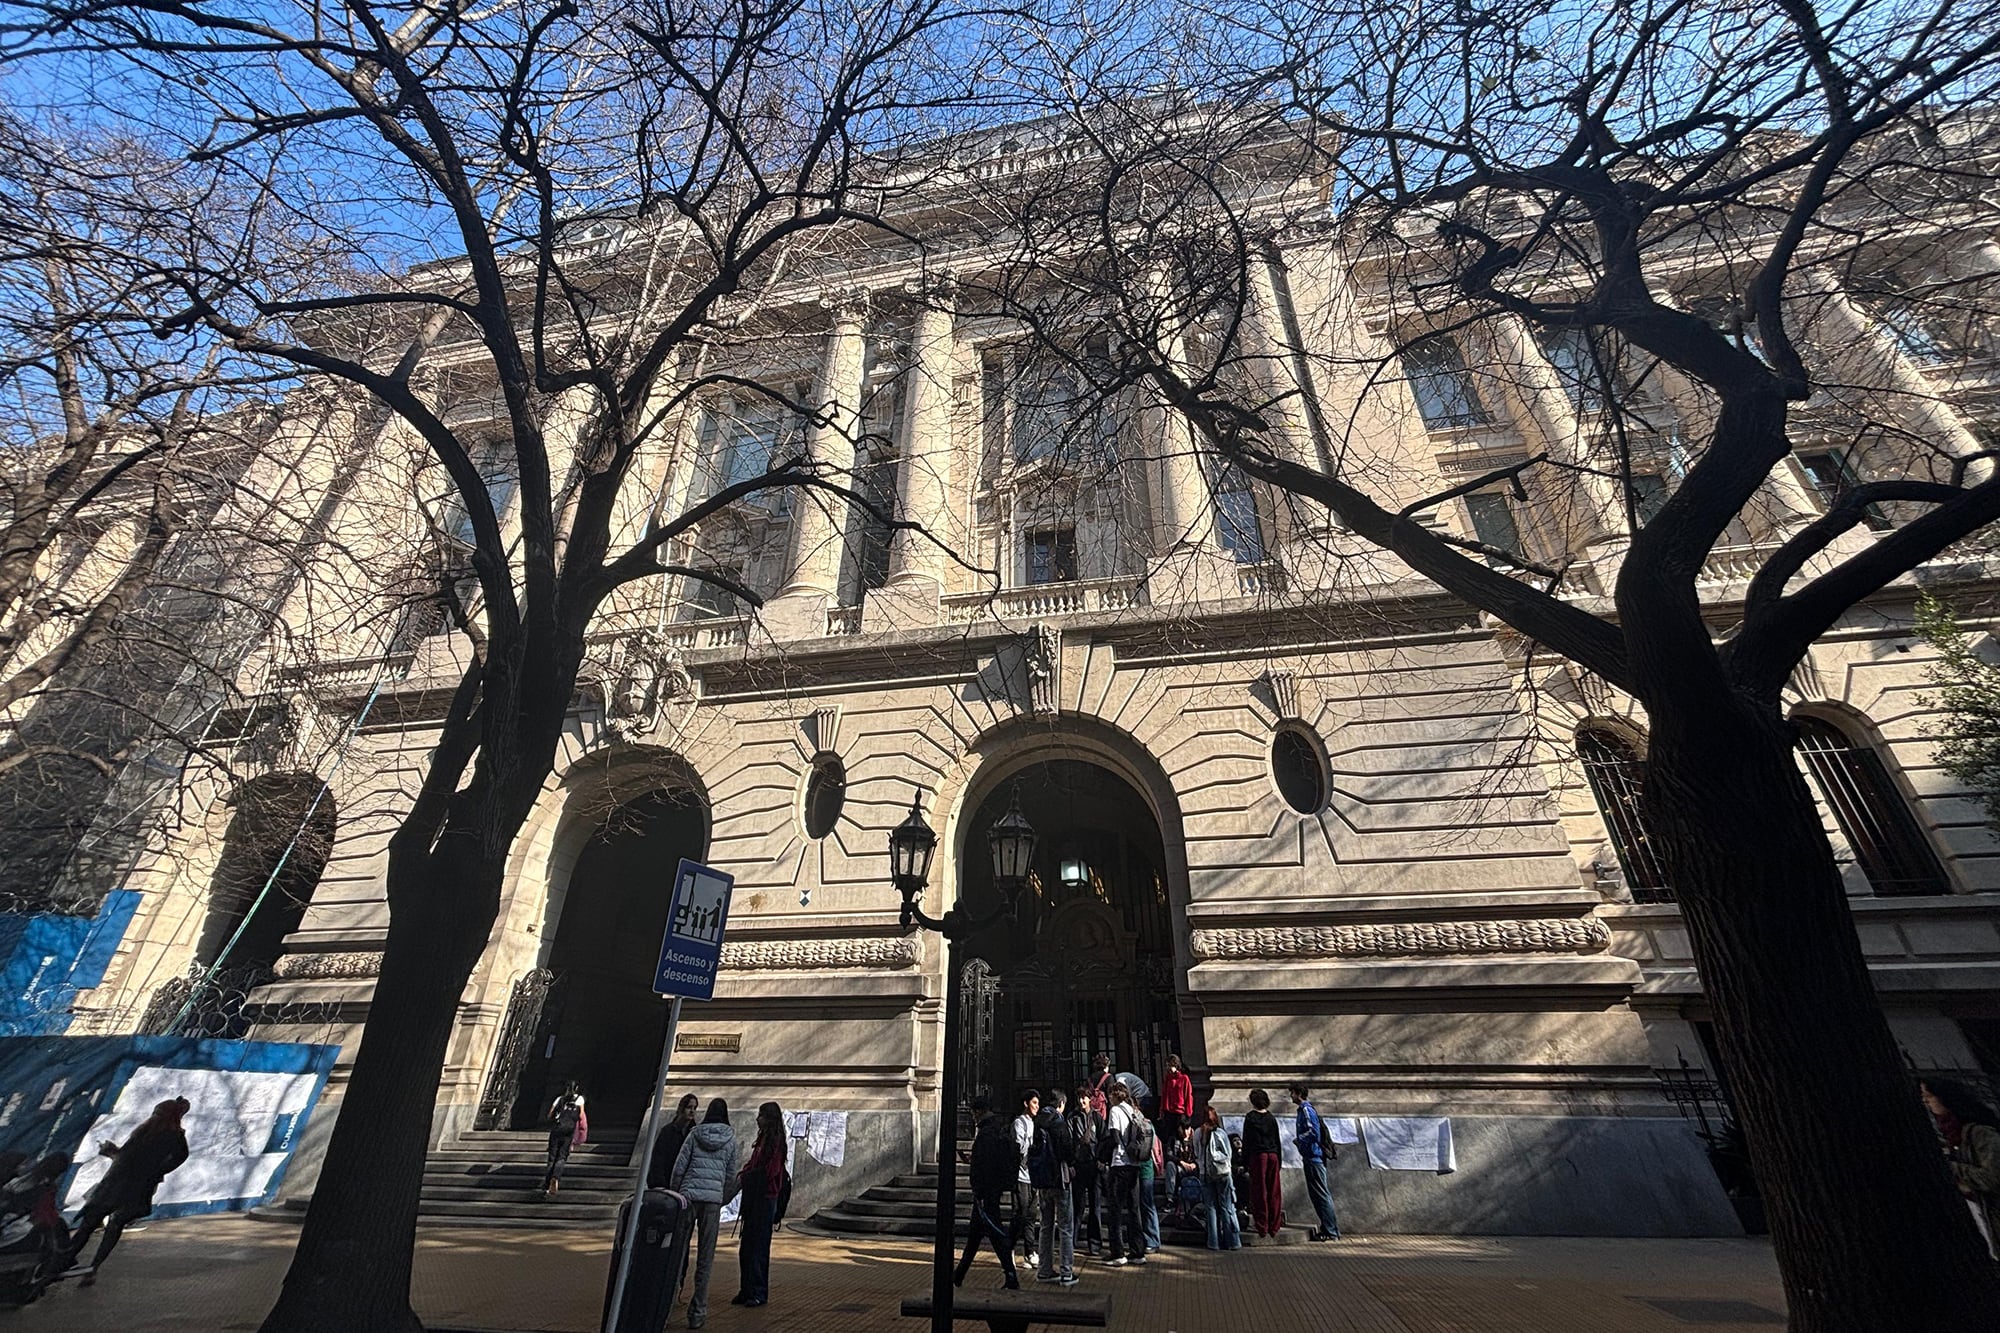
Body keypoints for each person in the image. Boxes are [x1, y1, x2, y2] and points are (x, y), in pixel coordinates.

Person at [64, 1097, 190, 1285]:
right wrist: (156, 1172)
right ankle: (92, 1268)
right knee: (114, 1226)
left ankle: (65, 1261)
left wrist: (113, 1153)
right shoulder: (175, 1138)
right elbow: (176, 1159)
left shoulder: (144, 1132)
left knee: (88, 1225)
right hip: (135, 1190)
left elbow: (128, 1159)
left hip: (114, 1186)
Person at [670, 1098, 739, 1330]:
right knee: (705, 1258)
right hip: (711, 1202)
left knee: (678, 1251)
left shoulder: (694, 1134)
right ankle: (698, 1312)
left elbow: (680, 1167)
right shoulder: (730, 1140)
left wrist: (676, 1195)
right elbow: (731, 1177)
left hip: (688, 1197)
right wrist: (722, 1199)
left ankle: (668, 1303)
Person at [1922, 1077, 2000, 1258]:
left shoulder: (1981, 1134)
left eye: (1929, 1096)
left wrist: (1951, 1167)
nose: (1926, 1102)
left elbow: (1992, 1178)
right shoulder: (1957, 1138)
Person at [956, 1097, 1020, 1289]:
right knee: (974, 1238)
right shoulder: (994, 1130)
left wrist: (980, 1190)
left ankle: (1010, 1275)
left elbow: (986, 1166)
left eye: (974, 1113)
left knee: (995, 1237)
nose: (973, 1117)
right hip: (989, 1192)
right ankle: (958, 1275)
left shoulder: (986, 1133)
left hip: (986, 1194)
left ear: (980, 1111)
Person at [735, 1101, 788, 1310]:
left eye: (761, 1115)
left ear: (770, 1118)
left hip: (765, 1198)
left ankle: (758, 1291)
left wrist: (749, 1176)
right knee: (746, 1245)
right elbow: (753, 1163)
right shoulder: (762, 1139)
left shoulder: (775, 1142)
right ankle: (746, 1288)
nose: (758, 1118)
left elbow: (770, 1171)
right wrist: (744, 1173)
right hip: (754, 1197)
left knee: (758, 1247)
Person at [1029, 1088, 1078, 1285]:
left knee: (1046, 1225)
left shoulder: (1037, 1121)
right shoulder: (1058, 1122)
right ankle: (1067, 1271)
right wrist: (1073, 1161)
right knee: (1066, 1225)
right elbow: (1067, 1149)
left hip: (1042, 1180)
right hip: (1059, 1177)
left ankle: (1044, 1269)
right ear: (1061, 1104)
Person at [1100, 1081, 1147, 1266]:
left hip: (1119, 1164)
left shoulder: (1116, 1111)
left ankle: (1117, 1252)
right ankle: (1137, 1251)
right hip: (1134, 1164)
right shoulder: (1134, 1110)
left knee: (1115, 1209)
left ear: (1113, 1095)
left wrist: (1102, 1156)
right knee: (1134, 1209)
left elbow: (1115, 1137)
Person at [1289, 1083, 1340, 1241]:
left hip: (1314, 1156)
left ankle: (1331, 1230)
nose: (1290, 1096)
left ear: (1298, 1094)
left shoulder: (1306, 1110)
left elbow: (1313, 1132)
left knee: (1321, 1193)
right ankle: (1327, 1228)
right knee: (1318, 1194)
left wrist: (1300, 1140)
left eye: (1292, 1093)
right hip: (1311, 1156)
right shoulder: (1304, 1110)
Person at [1195, 1107, 1242, 1250]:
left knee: (1211, 1208)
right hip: (1222, 1173)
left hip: (1205, 1173)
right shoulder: (1221, 1133)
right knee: (1226, 1206)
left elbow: (1197, 1153)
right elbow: (1228, 1154)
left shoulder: (1197, 1133)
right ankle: (1232, 1242)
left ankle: (1213, 1242)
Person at [1067, 1085, 1104, 1256]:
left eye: (1084, 1097)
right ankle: (1072, 1241)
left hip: (1094, 1165)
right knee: (1077, 1205)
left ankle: (1094, 1244)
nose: (1082, 1101)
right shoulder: (1073, 1118)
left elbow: (1104, 1139)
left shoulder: (1096, 1117)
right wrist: (1071, 1163)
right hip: (1079, 1165)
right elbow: (1068, 1141)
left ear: (1090, 1099)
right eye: (1079, 1098)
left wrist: (1102, 1160)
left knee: (1095, 1206)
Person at [1243, 1089, 1284, 1237]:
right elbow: (1277, 1140)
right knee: (1274, 1191)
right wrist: (1279, 1159)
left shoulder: (1250, 1118)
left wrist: (1245, 1162)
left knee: (1259, 1191)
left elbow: (1247, 1141)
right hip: (1272, 1155)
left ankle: (1262, 1225)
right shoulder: (1271, 1118)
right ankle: (1275, 1225)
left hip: (1258, 1156)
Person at [1010, 1088, 1041, 1272]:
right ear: (1026, 1103)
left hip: (1033, 1176)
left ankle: (1030, 1251)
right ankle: (1010, 1247)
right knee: (1020, 1213)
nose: (1036, 1107)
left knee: (1031, 1214)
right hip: (1021, 1175)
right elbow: (1021, 1147)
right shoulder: (1019, 1123)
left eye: (1037, 1103)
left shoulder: (1034, 1124)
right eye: (1034, 1103)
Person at [543, 1081, 588, 1194]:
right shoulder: (579, 1099)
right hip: (569, 1131)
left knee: (552, 1157)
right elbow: (581, 1116)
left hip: (557, 1130)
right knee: (562, 1156)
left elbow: (550, 1115)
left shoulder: (559, 1099)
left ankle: (547, 1182)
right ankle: (556, 1177)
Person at [649, 1093, 702, 1190]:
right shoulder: (668, 1131)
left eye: (695, 1108)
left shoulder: (694, 1133)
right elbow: (658, 1157)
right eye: (689, 1107)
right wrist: (660, 1183)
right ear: (682, 1109)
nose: (692, 1111)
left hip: (685, 1184)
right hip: (666, 1180)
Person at [1136, 1097, 1162, 1253]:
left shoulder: (1142, 1125)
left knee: (1146, 1204)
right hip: (1146, 1169)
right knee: (1146, 1204)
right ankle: (1150, 1239)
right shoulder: (1148, 1124)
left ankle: (1152, 1239)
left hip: (1144, 1169)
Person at [1159, 1055, 1195, 1150]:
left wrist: (1188, 1115)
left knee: (1181, 1137)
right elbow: (1164, 1095)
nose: (1168, 1068)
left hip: (1180, 1112)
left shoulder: (1184, 1078)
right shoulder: (1168, 1079)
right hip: (1169, 1112)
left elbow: (1188, 1096)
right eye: (1167, 1065)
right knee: (1169, 1137)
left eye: (1170, 1065)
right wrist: (1162, 1110)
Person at [1086, 1054, 1115, 1120]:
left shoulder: (1090, 1078)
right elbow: (1111, 1096)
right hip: (1105, 1112)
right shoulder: (1108, 1078)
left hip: (1092, 1112)